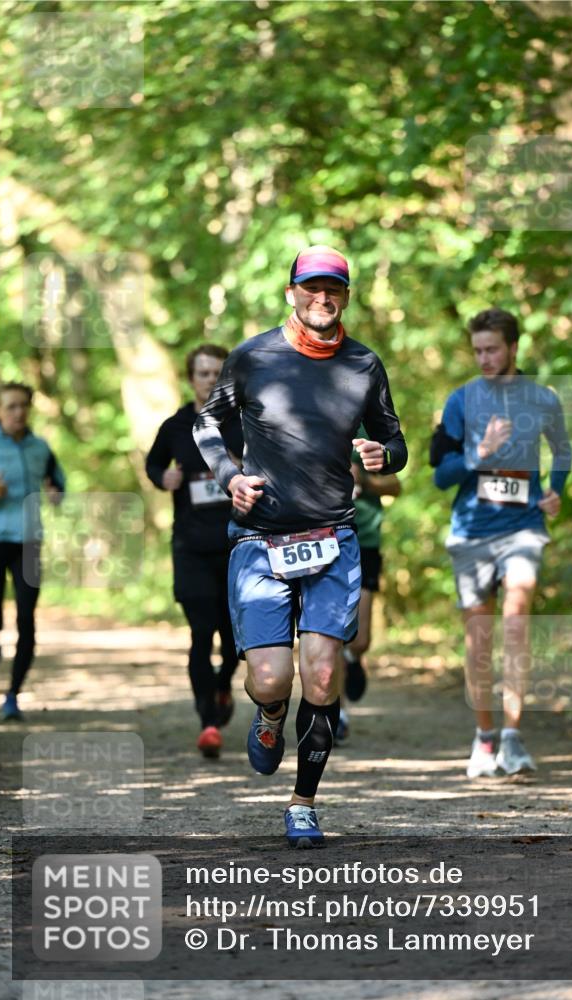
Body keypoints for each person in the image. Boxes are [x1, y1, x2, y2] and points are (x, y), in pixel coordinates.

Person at [194, 245, 407, 847]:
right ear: (291, 292)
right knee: (270, 680)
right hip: (261, 541)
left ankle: (303, 803)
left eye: (333, 289)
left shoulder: (364, 365)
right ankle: (265, 717)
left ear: (346, 296)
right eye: (311, 287)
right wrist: (229, 477)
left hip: (333, 538)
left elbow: (397, 444)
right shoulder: (253, 358)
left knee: (321, 675)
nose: (322, 297)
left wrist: (381, 454)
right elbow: (206, 424)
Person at [430, 308, 572, 778]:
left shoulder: (542, 400)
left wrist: (557, 490)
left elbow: (564, 450)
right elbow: (440, 476)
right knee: (480, 640)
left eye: (492, 349)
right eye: (477, 351)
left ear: (513, 347)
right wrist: (480, 453)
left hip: (524, 526)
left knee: (516, 620)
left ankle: (513, 737)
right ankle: (485, 738)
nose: (484, 358)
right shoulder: (460, 402)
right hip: (471, 531)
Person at [146, 345, 243, 758]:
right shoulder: (175, 426)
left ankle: (222, 687)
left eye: (217, 373)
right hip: (191, 547)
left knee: (236, 640)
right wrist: (162, 476)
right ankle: (207, 722)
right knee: (201, 634)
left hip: (237, 545)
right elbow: (153, 465)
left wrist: (246, 466)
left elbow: (269, 468)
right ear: (191, 379)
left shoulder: (242, 422)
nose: (209, 379)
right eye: (202, 373)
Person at [0, 382, 65, 720]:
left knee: (26, 620)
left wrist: (55, 492)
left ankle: (13, 695)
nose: (18, 412)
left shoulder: (40, 447)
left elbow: (56, 479)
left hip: (29, 542)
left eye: (23, 406)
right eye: (11, 406)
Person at [336, 432, 401, 744]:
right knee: (330, 632)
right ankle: (337, 712)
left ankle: (353, 657)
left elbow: (395, 486)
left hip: (366, 541)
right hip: (325, 539)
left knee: (359, 639)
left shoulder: (369, 429)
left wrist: (364, 479)